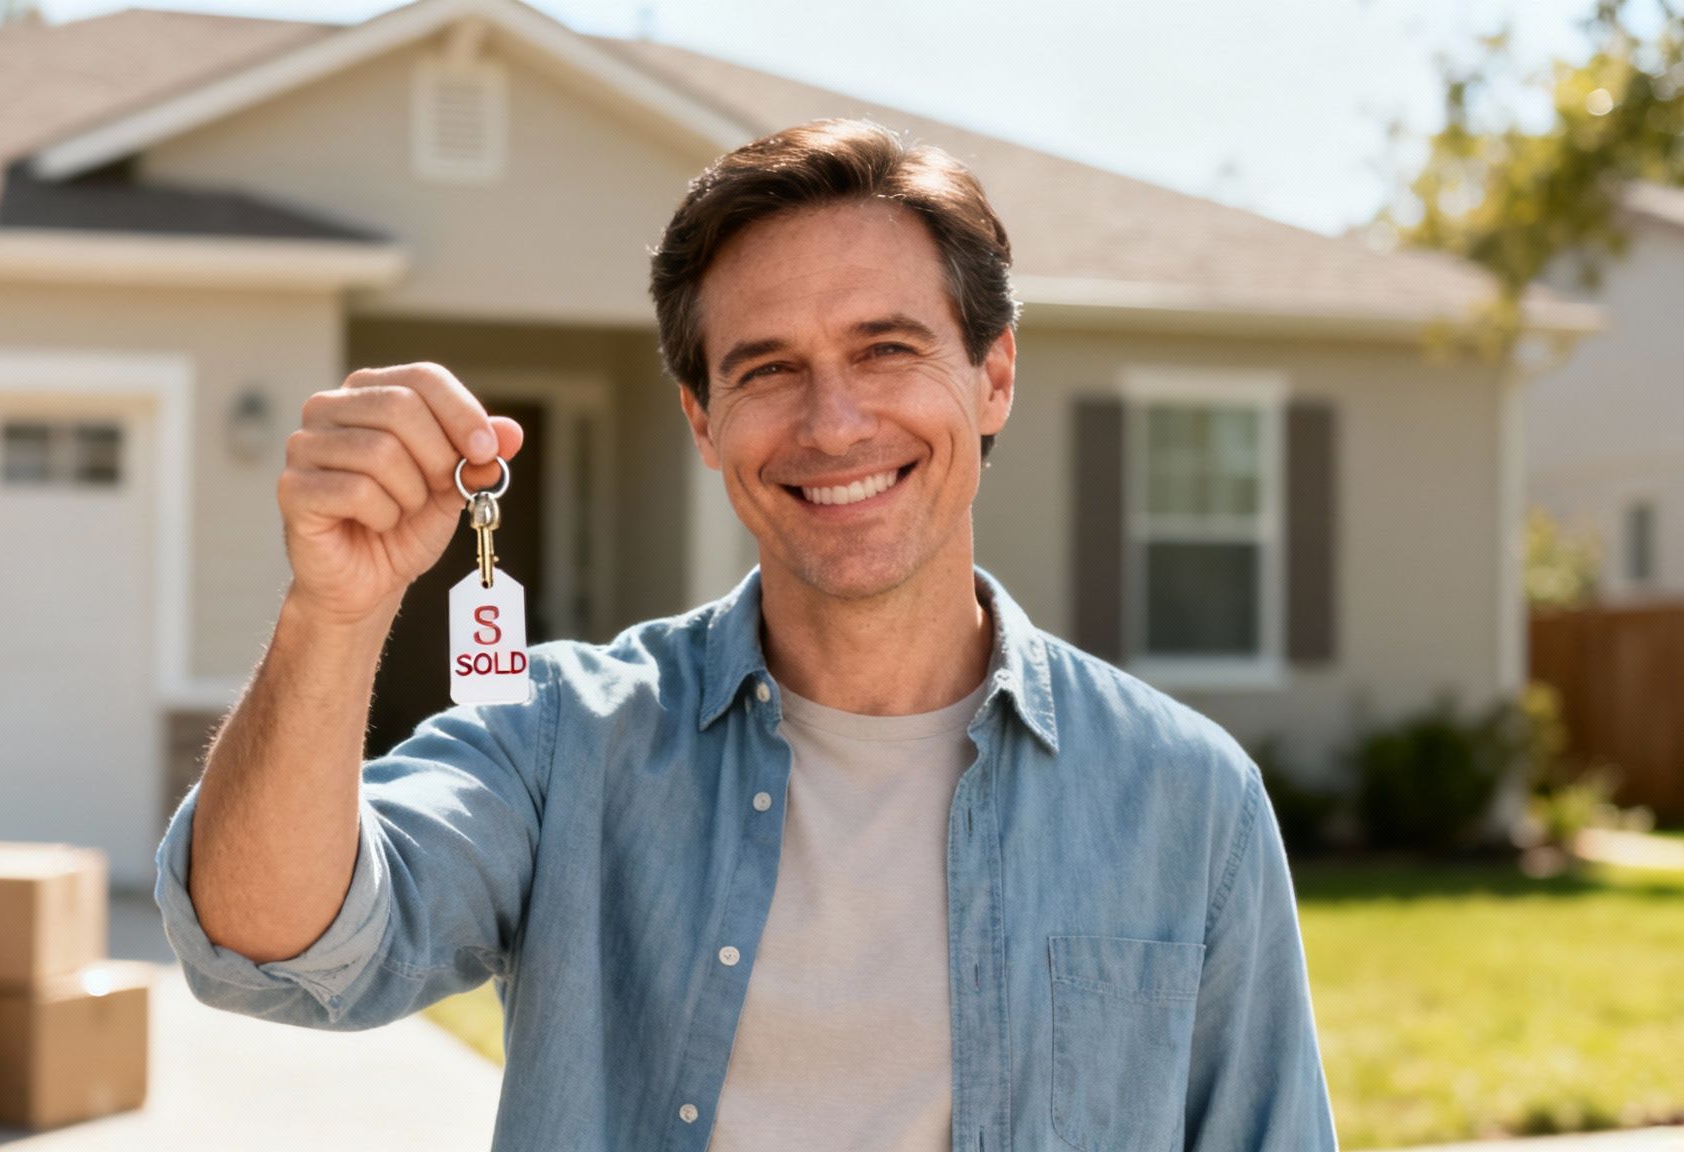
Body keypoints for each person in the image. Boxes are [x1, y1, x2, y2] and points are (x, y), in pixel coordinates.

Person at [155, 117, 1339, 1152]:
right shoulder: (564, 741)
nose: (833, 423)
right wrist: (335, 613)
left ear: (992, 377)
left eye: (885, 348)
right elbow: (266, 945)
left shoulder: (1185, 800)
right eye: (767, 369)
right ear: (702, 422)